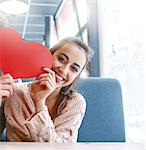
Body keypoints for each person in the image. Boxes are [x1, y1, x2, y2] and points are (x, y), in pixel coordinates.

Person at [0, 37, 94, 142]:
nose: (63, 70)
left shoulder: (76, 103)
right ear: (48, 56)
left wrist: (39, 103)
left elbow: (58, 148)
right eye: (61, 59)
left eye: (74, 69)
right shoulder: (14, 93)